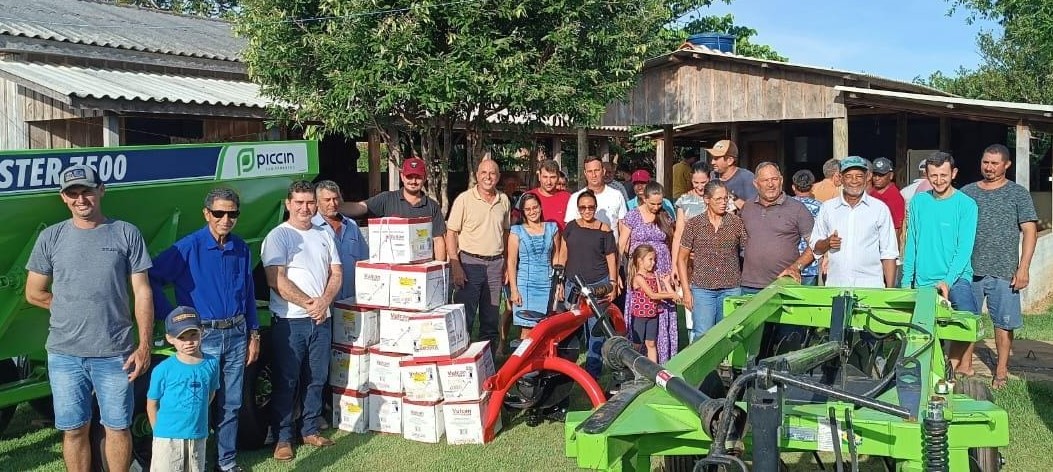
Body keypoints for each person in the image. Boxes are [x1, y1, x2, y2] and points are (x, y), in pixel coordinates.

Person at [24, 163, 154, 472]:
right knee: (73, 429)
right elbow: (34, 292)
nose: (81, 199)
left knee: (118, 426)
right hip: (65, 354)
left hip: (115, 353)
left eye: (87, 191)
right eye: (73, 193)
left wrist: (144, 345)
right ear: (63, 198)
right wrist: (69, 307)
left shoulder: (126, 233)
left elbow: (142, 292)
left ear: (101, 191)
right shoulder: (51, 237)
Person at [148, 187, 259, 472]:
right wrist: (171, 316)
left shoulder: (241, 248)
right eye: (219, 213)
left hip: (236, 334)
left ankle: (226, 463)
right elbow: (153, 277)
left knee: (231, 403)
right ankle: (196, 461)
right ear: (206, 214)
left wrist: (254, 334)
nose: (226, 219)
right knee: (197, 402)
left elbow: (247, 293)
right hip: (201, 337)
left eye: (232, 213)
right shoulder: (188, 247)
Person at [263, 180, 343, 461]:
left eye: (309, 202)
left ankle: (309, 429)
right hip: (290, 320)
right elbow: (275, 280)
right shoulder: (278, 236)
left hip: (322, 318)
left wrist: (324, 302)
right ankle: (283, 437)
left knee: (317, 377)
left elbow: (336, 273)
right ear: (288, 204)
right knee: (287, 380)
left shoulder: (323, 234)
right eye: (299, 202)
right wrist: (311, 304)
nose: (305, 208)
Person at [960, 144, 1038, 389]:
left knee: (1003, 325)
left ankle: (1001, 371)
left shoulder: (1018, 194)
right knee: (965, 321)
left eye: (995, 163)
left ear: (1007, 165)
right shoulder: (967, 192)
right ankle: (964, 366)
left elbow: (1029, 231)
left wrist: (1023, 267)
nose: (989, 167)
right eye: (986, 162)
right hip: (969, 270)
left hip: (1004, 271)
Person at [901, 152, 978, 378]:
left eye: (943, 175)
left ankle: (950, 367)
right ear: (926, 175)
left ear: (953, 173)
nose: (939, 180)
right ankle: (924, 373)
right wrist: (907, 280)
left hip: (956, 276)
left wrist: (948, 280)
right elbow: (912, 241)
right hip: (923, 277)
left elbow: (965, 247)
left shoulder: (966, 204)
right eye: (933, 175)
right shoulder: (919, 201)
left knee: (967, 318)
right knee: (920, 330)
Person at [447, 159, 511, 350]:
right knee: (464, 318)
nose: (488, 177)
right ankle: (460, 364)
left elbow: (506, 233)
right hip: (469, 263)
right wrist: (456, 265)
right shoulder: (464, 199)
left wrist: (507, 263)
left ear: (498, 177)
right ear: (477, 175)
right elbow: (451, 232)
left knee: (490, 319)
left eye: (492, 173)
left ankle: (488, 366)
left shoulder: (504, 200)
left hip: (495, 265)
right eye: (484, 173)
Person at [146, 307, 219, 472]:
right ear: (170, 338)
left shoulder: (211, 364)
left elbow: (210, 393)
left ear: (202, 331)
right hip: (168, 437)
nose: (188, 342)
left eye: (193, 335)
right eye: (181, 337)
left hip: (197, 434)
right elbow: (152, 403)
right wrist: (158, 432)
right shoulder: (163, 369)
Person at [810, 157, 899, 288]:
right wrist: (827, 243)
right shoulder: (828, 208)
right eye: (848, 176)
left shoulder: (879, 209)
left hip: (871, 287)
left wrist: (890, 291)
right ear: (840, 178)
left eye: (859, 176)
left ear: (867, 177)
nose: (854, 181)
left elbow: (889, 253)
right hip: (836, 286)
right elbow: (816, 248)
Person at [339, 157, 447, 261]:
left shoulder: (432, 206)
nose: (413, 181)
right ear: (402, 177)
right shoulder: (386, 199)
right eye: (409, 176)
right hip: (391, 270)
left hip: (421, 270)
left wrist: (440, 269)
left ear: (425, 177)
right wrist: (334, 206)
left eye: (418, 177)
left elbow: (438, 240)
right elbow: (360, 207)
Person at [559, 190, 618, 379]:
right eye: (583, 207)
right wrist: (560, 281)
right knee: (568, 327)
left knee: (596, 329)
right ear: (578, 208)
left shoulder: (604, 229)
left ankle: (593, 372)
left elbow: (611, 257)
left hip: (597, 282)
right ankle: (566, 370)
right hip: (572, 284)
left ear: (595, 207)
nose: (587, 210)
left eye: (590, 207)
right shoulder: (570, 227)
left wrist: (613, 282)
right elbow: (563, 253)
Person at [678, 181, 747, 341]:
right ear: (707, 200)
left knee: (729, 336)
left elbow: (747, 251)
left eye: (725, 198)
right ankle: (702, 367)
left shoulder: (736, 223)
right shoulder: (694, 225)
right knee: (702, 335)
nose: (723, 203)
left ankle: (726, 366)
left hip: (731, 287)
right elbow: (681, 258)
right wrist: (686, 291)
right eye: (718, 199)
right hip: (703, 288)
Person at [619, 181, 678, 363]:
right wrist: (617, 272)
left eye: (659, 203)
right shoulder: (633, 216)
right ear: (644, 198)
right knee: (642, 305)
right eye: (652, 203)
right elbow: (622, 244)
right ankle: (638, 356)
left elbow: (673, 240)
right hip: (640, 268)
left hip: (662, 268)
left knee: (661, 308)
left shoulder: (664, 216)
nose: (656, 207)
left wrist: (673, 268)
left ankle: (663, 357)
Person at [740, 162, 815, 294]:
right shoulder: (747, 207)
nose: (770, 184)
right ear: (756, 184)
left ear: (781, 180)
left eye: (774, 179)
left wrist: (796, 267)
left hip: (784, 284)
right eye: (765, 180)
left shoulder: (797, 209)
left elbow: (815, 245)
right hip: (749, 286)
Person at [507, 193, 561, 338]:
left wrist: (558, 283)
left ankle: (545, 360)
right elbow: (511, 262)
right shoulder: (516, 231)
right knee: (527, 329)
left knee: (547, 328)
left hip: (548, 283)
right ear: (523, 212)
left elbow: (556, 258)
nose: (532, 212)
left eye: (535, 207)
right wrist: (514, 290)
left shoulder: (552, 228)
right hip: (525, 285)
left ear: (540, 207)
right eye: (528, 209)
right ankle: (526, 360)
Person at [313, 180, 368, 301]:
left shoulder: (351, 225)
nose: (333, 203)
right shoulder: (311, 228)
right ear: (316, 202)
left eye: (336, 198)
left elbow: (364, 261)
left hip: (352, 299)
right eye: (327, 200)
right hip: (325, 302)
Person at [628, 244, 680, 362]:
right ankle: (632, 368)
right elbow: (652, 294)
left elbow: (660, 292)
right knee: (637, 344)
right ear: (640, 261)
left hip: (653, 315)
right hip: (640, 316)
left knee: (651, 343)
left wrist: (666, 283)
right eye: (650, 259)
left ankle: (653, 370)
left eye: (654, 260)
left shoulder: (653, 275)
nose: (653, 263)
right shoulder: (638, 278)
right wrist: (672, 295)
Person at [565, 156, 628, 242]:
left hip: (611, 251)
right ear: (585, 173)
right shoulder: (575, 198)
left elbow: (623, 227)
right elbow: (569, 229)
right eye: (590, 171)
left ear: (603, 171)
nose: (593, 175)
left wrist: (620, 253)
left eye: (596, 170)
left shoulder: (617, 195)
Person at [790, 170, 822, 286]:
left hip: (789, 265)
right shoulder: (821, 207)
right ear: (812, 187)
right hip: (812, 265)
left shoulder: (787, 206)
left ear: (793, 187)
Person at [520, 159, 571, 231]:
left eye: (552, 177)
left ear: (558, 177)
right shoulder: (527, 196)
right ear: (539, 176)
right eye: (545, 177)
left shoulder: (568, 198)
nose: (548, 182)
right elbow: (515, 222)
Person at [707, 139, 756, 209]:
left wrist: (732, 197)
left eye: (716, 158)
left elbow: (753, 209)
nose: (712, 162)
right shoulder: (712, 176)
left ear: (730, 160)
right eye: (712, 158)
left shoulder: (747, 177)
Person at [869, 157, 906, 240]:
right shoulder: (872, 193)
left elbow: (897, 228)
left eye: (881, 175)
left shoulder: (895, 197)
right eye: (875, 174)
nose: (877, 178)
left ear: (891, 176)